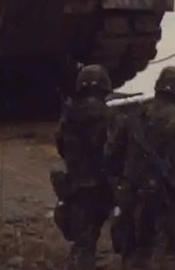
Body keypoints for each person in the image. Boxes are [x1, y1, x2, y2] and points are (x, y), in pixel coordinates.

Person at [107, 65, 175, 270]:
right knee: (168, 253)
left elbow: (112, 157)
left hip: (134, 195)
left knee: (135, 251)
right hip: (170, 197)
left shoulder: (133, 116)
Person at [52, 64, 117, 270]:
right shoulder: (111, 117)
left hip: (76, 184)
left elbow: (62, 147)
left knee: (83, 239)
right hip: (102, 185)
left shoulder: (68, 116)